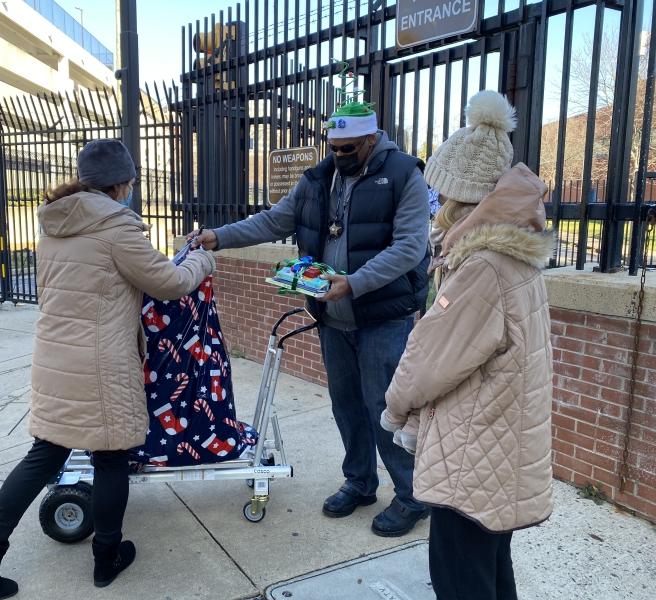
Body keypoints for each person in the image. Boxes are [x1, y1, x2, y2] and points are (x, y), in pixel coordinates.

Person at [0, 139, 216, 599]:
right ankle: (106, 556)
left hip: (54, 359)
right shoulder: (117, 228)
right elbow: (169, 283)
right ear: (122, 183)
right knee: (112, 456)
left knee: (43, 457)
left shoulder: (54, 224)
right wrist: (203, 258)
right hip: (101, 365)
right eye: (130, 183)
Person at [189, 100, 432, 537]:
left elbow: (411, 247)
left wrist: (354, 282)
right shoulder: (319, 180)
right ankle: (360, 482)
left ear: (372, 139)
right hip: (332, 316)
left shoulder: (403, 175)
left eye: (349, 147)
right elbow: (274, 220)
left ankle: (412, 494)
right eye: (334, 146)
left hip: (382, 317)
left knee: (385, 407)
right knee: (346, 405)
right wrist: (216, 237)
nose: (339, 154)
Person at [381, 90, 554, 600]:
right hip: (497, 449)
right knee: (491, 572)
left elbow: (427, 359)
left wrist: (394, 410)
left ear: (462, 201)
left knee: (461, 579)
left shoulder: (482, 268)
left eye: (440, 197)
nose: (435, 208)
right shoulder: (514, 257)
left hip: (472, 455)